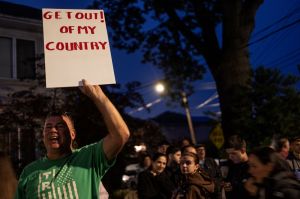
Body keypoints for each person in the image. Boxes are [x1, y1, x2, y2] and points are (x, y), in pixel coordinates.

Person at [14, 79, 130, 199]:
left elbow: (121, 135)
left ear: (72, 134)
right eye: (48, 127)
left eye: (60, 126)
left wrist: (98, 96)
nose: (53, 130)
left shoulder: (88, 158)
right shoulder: (29, 172)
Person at [224, 135, 251, 199]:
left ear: (243, 150)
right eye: (228, 154)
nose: (230, 157)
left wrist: (235, 186)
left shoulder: (253, 166)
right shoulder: (231, 165)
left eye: (233, 153)